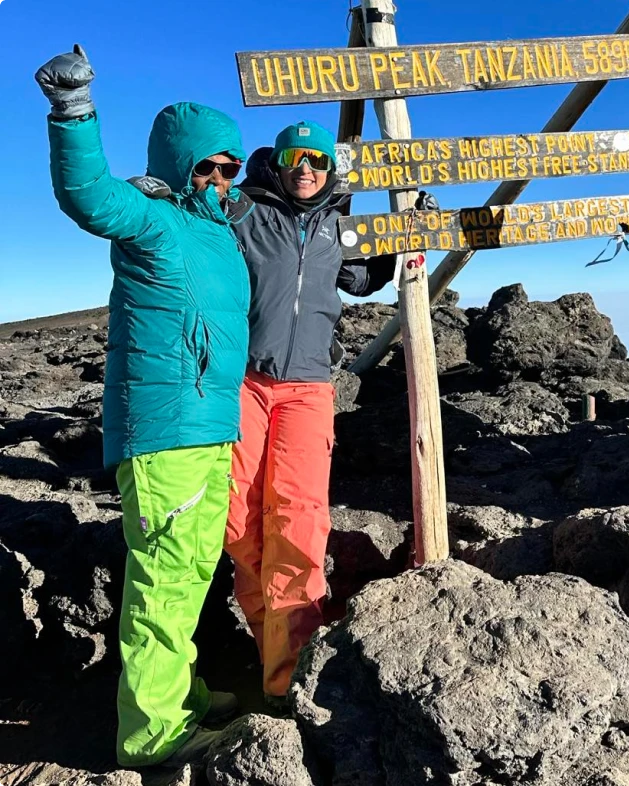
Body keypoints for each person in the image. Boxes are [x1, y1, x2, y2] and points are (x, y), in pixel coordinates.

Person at [38, 46, 250, 766]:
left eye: (231, 167)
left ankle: (178, 695)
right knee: (162, 580)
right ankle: (152, 736)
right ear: (179, 162)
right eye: (207, 166)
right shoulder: (152, 218)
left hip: (210, 424)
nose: (220, 178)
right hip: (165, 429)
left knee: (189, 575)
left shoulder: (217, 230)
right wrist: (74, 111)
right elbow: (88, 193)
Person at [223, 121, 401, 712]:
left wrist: (402, 234)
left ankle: (285, 676)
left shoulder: (337, 223)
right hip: (242, 381)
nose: (307, 169)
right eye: (296, 157)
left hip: (308, 389)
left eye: (319, 160)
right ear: (277, 160)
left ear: (330, 167)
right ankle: (268, 636)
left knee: (298, 521)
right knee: (236, 519)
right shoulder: (244, 210)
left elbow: (361, 278)